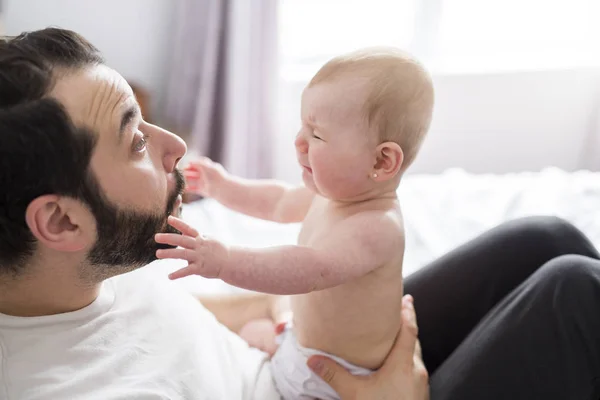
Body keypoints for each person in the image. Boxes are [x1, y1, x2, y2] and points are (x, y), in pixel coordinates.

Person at [1, 27, 600, 400]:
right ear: (60, 222)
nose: (175, 147)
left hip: (302, 352)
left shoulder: (82, 275)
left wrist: (272, 307)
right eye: (135, 141)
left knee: (546, 239)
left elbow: (156, 327)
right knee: (574, 294)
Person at [155, 47, 434, 400]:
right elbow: (278, 201)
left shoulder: (376, 227)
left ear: (382, 160)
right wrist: (222, 186)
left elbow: (307, 269)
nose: (299, 141)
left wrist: (225, 261)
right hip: (302, 343)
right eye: (303, 125)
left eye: (316, 135)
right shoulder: (334, 194)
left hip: (336, 381)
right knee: (254, 333)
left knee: (251, 346)